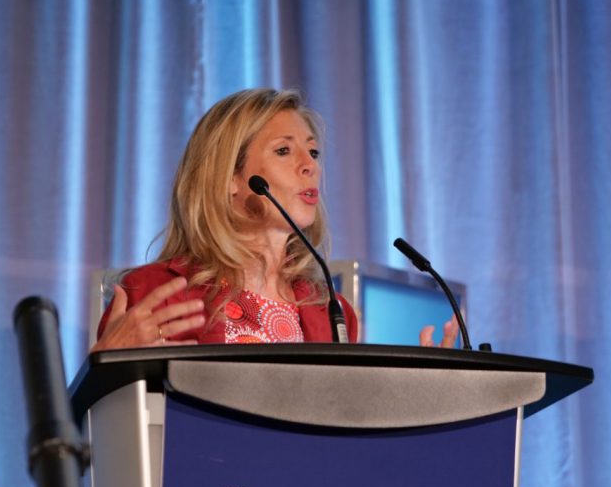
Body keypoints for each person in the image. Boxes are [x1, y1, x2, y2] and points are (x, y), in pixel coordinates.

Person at [92, 88, 458, 350]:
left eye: (313, 151)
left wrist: (420, 396)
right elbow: (116, 433)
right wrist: (105, 371)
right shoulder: (153, 295)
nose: (310, 165)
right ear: (230, 179)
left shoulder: (333, 312)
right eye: (284, 150)